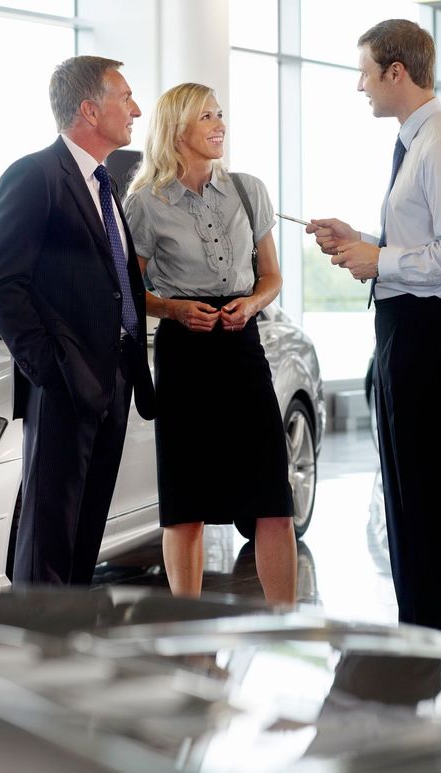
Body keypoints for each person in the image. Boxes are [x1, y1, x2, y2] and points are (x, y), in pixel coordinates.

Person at [306, 20, 441, 641]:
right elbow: (426, 244)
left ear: (396, 72)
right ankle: (425, 647)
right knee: (410, 511)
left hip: (429, 340)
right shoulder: (419, 144)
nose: (360, 86)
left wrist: (380, 260)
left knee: (431, 513)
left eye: (365, 72)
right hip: (406, 336)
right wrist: (363, 242)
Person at [0, 56, 155, 586]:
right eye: (126, 99)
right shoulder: (34, 176)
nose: (137, 111)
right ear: (89, 108)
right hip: (64, 383)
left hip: (115, 378)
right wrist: (51, 372)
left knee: (86, 531)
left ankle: (71, 646)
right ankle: (39, 652)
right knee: (49, 537)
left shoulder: (108, 182)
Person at [124, 82, 297, 605]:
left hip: (245, 349)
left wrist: (252, 304)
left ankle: (285, 619)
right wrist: (173, 309)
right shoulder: (145, 204)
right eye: (206, 116)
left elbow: (271, 276)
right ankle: (188, 625)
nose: (219, 124)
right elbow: (132, 292)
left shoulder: (249, 189)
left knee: (272, 498)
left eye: (220, 114)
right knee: (186, 501)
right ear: (177, 129)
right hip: (184, 354)